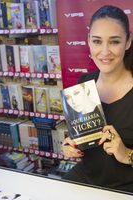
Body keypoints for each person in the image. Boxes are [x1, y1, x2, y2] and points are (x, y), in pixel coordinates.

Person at [62, 5, 133, 193]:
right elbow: (83, 138)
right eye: (97, 41)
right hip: (85, 178)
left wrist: (127, 154)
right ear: (89, 42)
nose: (104, 51)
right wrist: (72, 145)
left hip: (124, 189)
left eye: (114, 42)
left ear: (128, 42)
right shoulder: (84, 82)